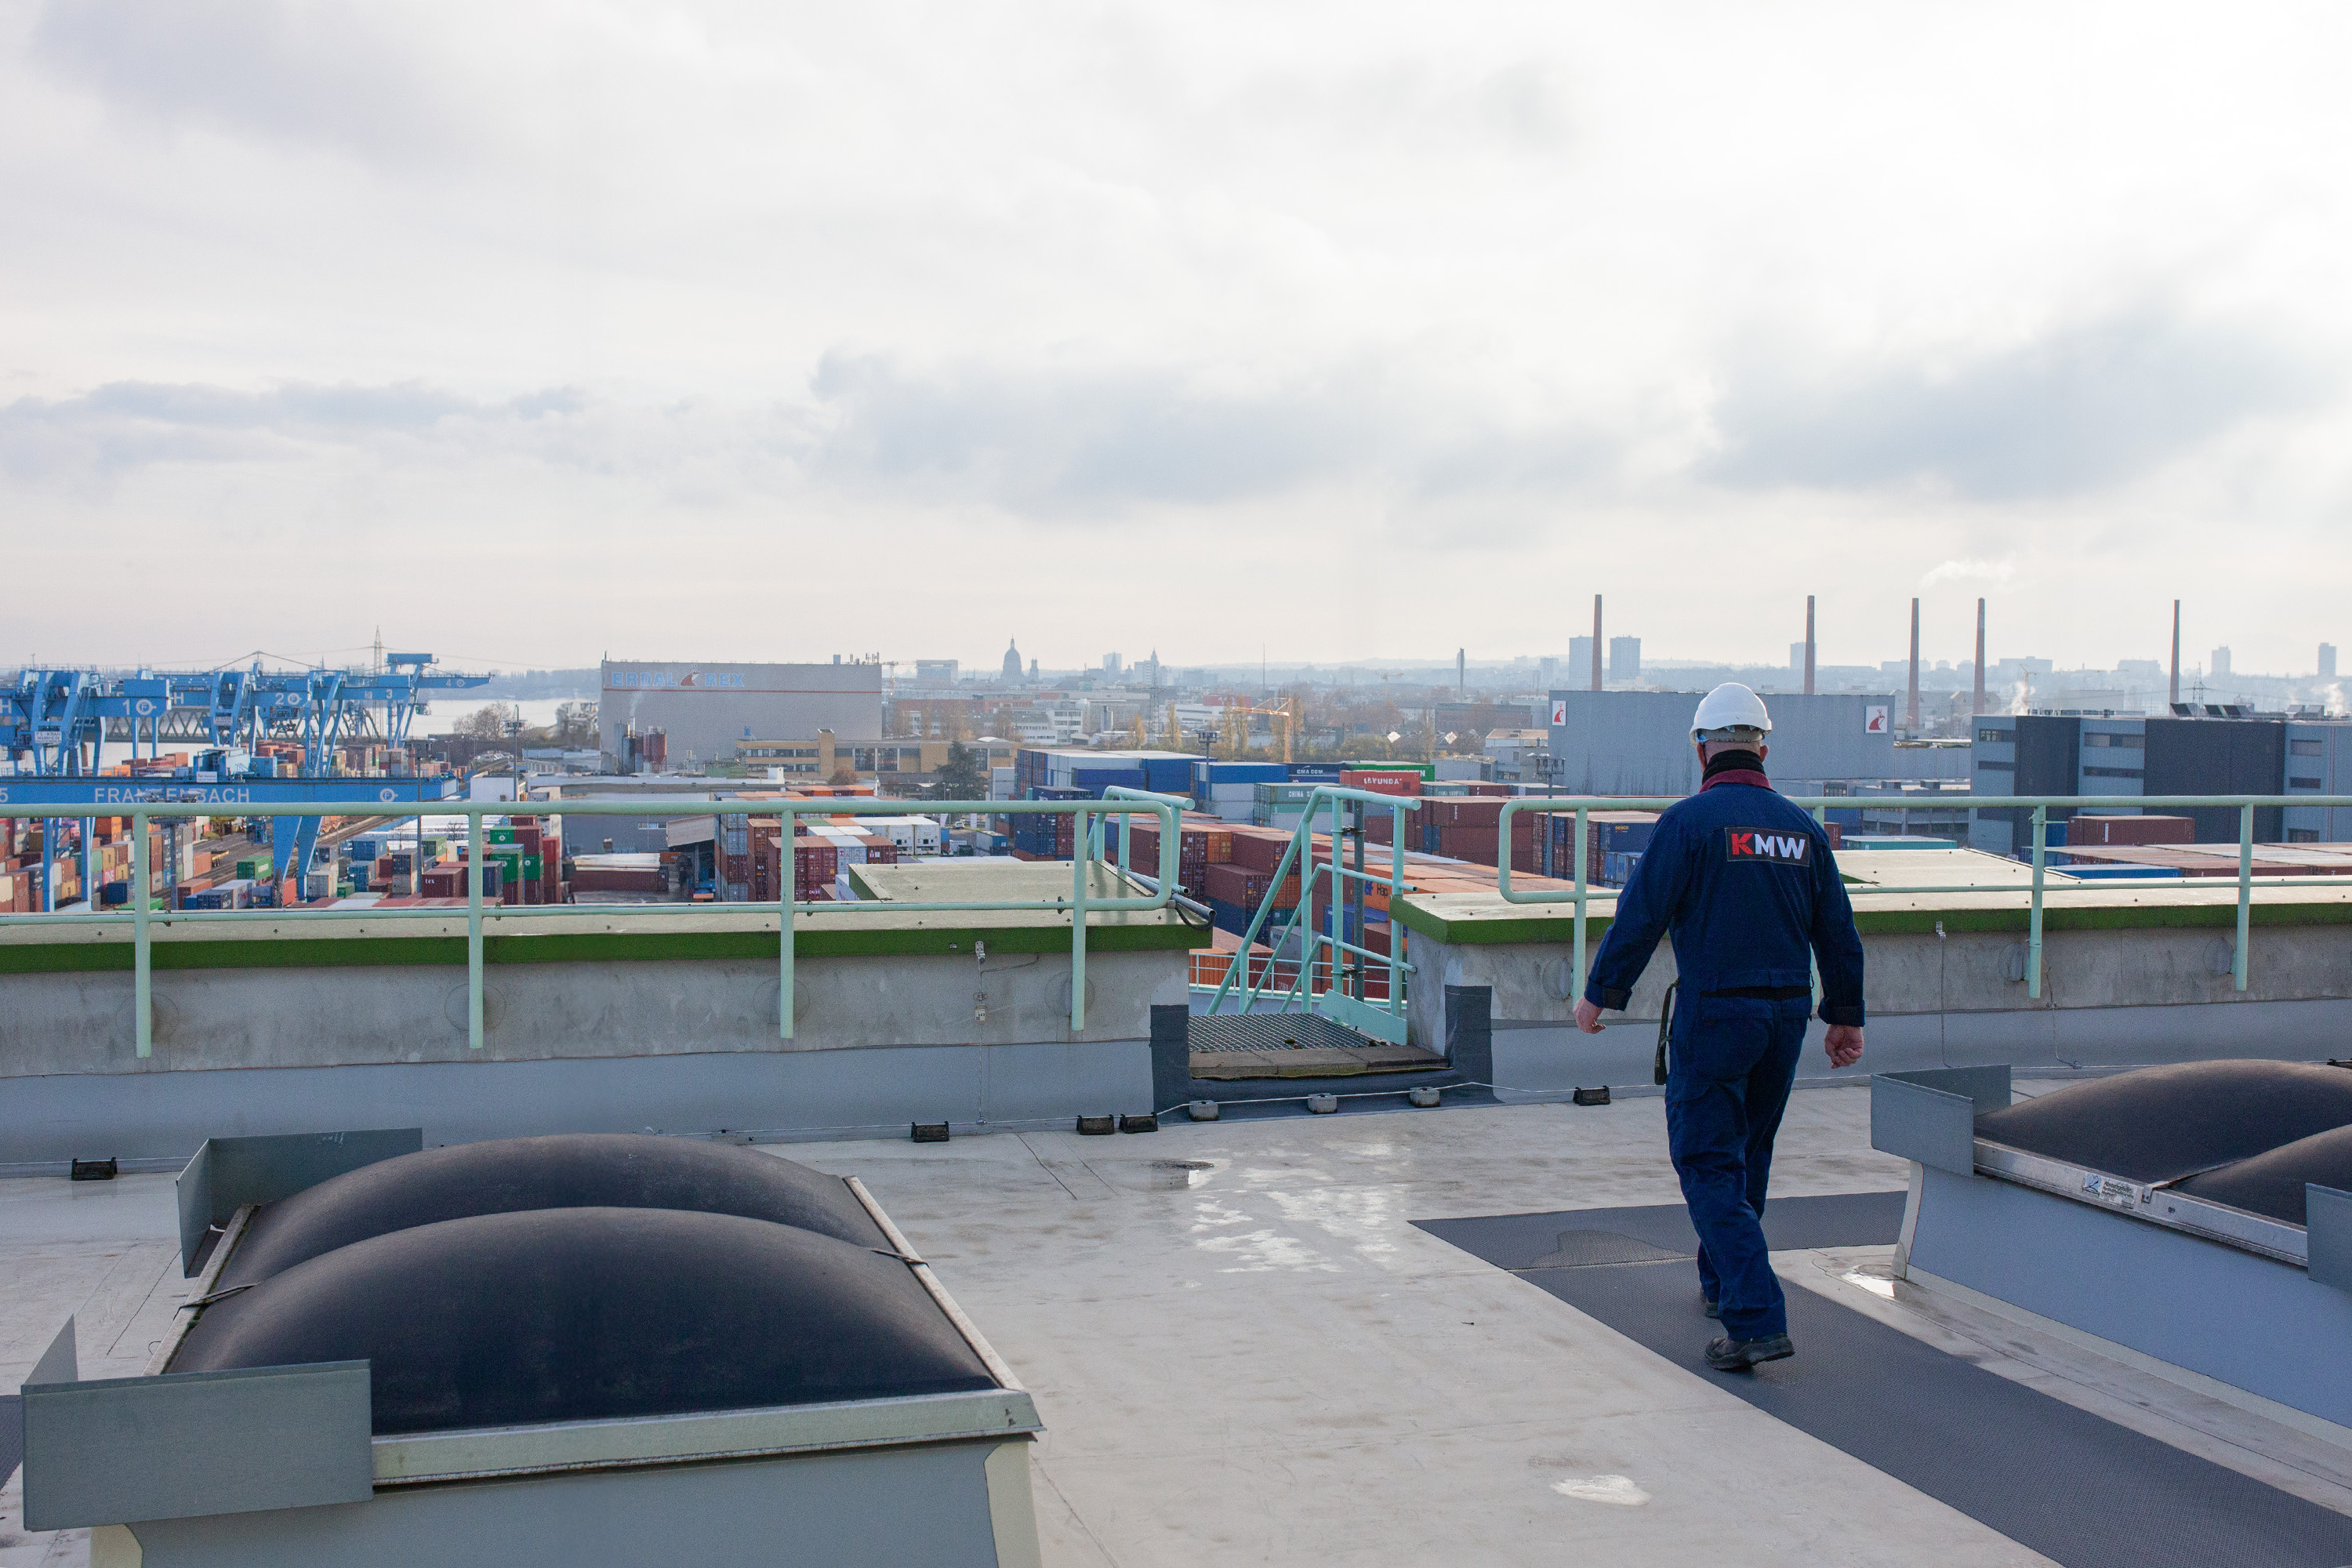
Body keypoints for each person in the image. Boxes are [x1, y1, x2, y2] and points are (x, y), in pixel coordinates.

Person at [1572, 683, 1864, 1372]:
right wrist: (1844, 1017)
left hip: (1717, 1015)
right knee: (1749, 1153)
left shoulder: (1689, 824)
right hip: (1786, 1017)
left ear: (1700, 748)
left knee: (1706, 1160)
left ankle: (1756, 1317)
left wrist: (1598, 997)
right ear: (1764, 747)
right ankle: (1721, 1282)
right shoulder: (1802, 830)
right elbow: (1840, 935)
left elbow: (1640, 918)